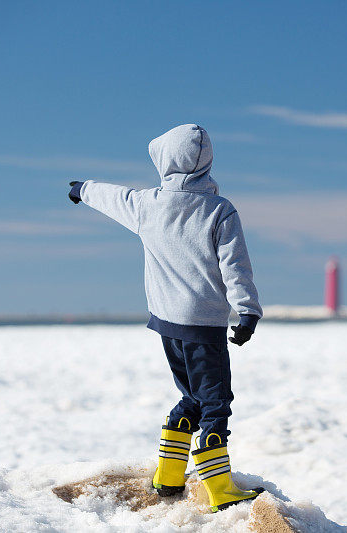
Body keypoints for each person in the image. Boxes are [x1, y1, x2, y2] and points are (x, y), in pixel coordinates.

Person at [67, 123, 264, 511]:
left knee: (190, 396)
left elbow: (112, 196)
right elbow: (235, 266)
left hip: (166, 323)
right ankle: (220, 490)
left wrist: (81, 189)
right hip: (204, 326)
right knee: (214, 403)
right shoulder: (220, 211)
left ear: (165, 161)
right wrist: (247, 311)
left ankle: (168, 476)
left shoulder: (147, 204)